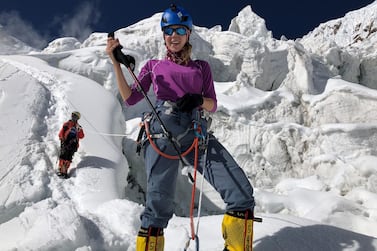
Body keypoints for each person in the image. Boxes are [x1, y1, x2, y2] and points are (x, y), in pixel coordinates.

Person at [106, 4, 255, 251]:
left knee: (241, 193)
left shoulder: (201, 68)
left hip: (197, 134)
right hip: (161, 133)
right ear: (164, 36)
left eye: (179, 30)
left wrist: (198, 100)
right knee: (157, 207)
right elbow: (131, 98)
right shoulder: (153, 66)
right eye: (168, 31)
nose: (173, 36)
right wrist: (116, 64)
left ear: (188, 34)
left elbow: (213, 104)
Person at [58, 111, 84, 178]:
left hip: (73, 144)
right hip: (66, 142)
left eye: (75, 116)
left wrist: (80, 130)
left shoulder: (78, 127)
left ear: (77, 118)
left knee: (69, 157)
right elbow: (61, 133)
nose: (73, 117)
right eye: (73, 116)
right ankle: (61, 170)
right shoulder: (66, 124)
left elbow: (81, 136)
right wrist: (62, 139)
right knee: (63, 156)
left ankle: (65, 170)